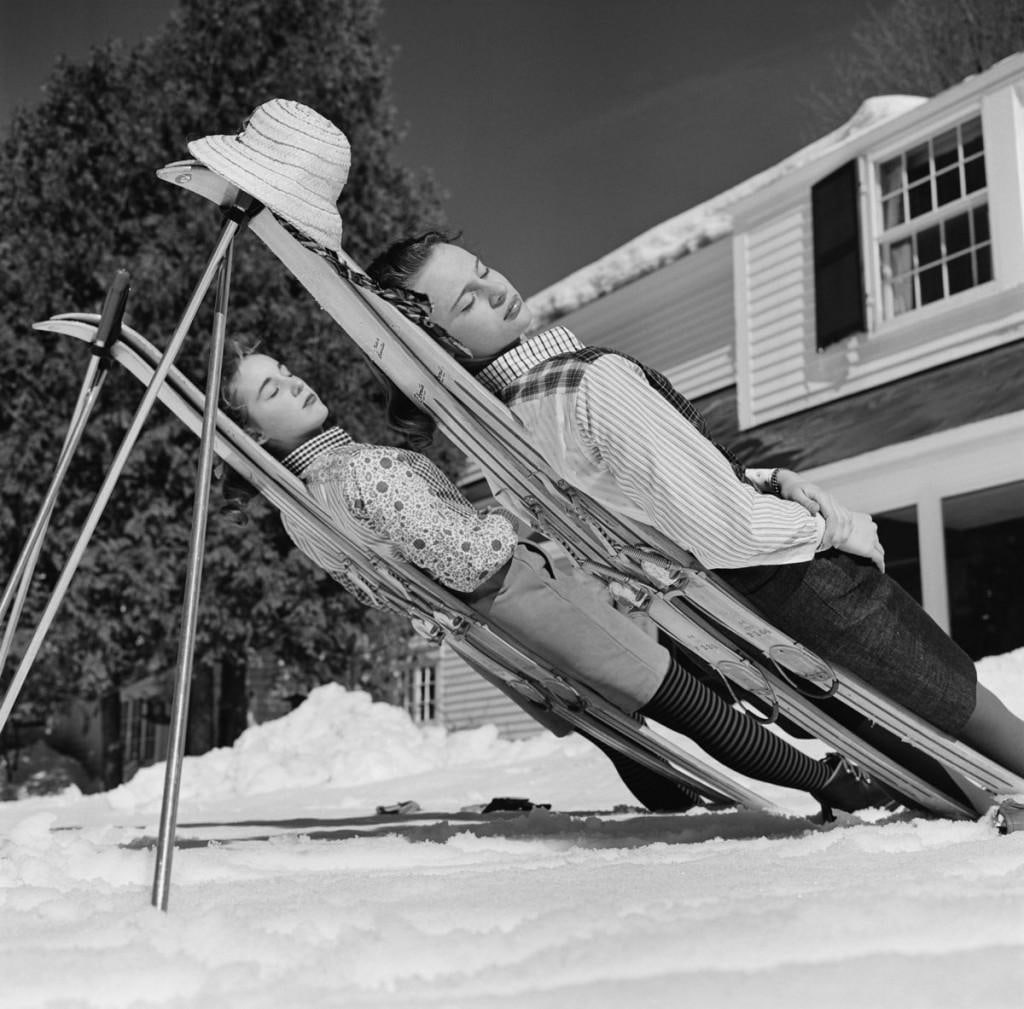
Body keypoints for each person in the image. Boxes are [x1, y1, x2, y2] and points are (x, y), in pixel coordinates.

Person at [365, 232, 1024, 780]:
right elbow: (724, 526)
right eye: (468, 301)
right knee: (958, 702)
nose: (498, 290)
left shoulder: (508, 431)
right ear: (443, 345)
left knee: (908, 742)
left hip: (725, 616)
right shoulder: (587, 383)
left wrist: (767, 476)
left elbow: (646, 498)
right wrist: (831, 527)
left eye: (483, 270)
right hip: (787, 578)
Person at [219, 345, 890, 817]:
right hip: (514, 593)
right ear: (254, 433)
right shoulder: (362, 471)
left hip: (484, 631)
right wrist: (512, 518)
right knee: (679, 694)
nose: (296, 382)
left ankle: (681, 803)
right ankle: (831, 781)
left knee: (613, 713)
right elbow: (467, 558)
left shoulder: (302, 510)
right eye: (271, 390)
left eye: (284, 370)